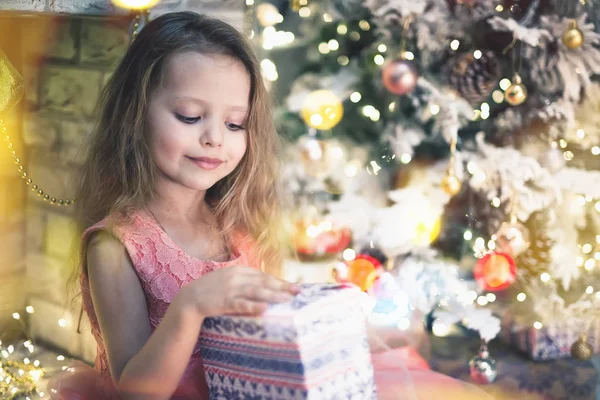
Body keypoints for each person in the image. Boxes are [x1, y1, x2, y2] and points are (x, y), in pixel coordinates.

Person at [48, 11, 493, 400]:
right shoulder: (116, 246)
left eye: (234, 122)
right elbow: (137, 391)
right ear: (135, 115)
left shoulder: (234, 225)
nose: (214, 138)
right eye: (188, 116)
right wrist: (190, 306)